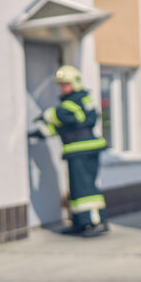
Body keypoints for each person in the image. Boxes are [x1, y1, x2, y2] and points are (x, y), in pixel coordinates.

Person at [28, 65, 108, 237]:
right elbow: (62, 127)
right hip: (75, 151)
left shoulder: (81, 99)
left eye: (66, 84)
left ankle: (96, 222)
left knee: (86, 188)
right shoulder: (69, 103)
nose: (63, 88)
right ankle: (80, 222)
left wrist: (48, 114)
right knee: (77, 190)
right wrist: (38, 133)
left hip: (84, 150)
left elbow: (75, 117)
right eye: (61, 85)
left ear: (75, 83)